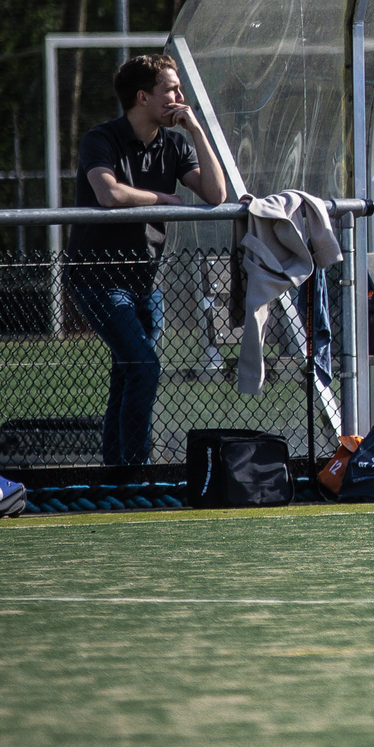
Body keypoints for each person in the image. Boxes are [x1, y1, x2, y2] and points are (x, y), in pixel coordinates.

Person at [71, 53, 227, 471]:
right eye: (171, 90)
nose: (179, 96)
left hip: (145, 281)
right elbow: (109, 194)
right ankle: (137, 470)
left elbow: (216, 195)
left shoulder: (175, 143)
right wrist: (166, 199)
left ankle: (116, 473)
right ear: (143, 97)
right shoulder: (101, 139)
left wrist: (195, 129)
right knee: (143, 365)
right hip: (98, 278)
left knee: (128, 373)